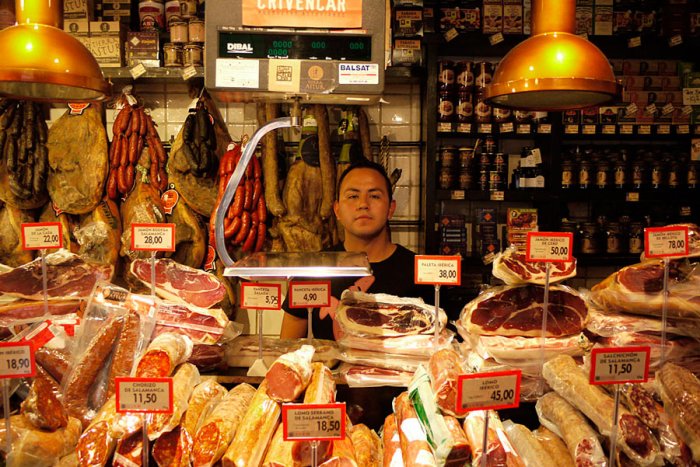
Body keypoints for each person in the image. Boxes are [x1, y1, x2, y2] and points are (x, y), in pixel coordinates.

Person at [280, 159, 432, 340]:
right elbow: (286, 348)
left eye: (374, 196)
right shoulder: (314, 271)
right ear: (337, 209)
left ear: (391, 208)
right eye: (353, 196)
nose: (363, 204)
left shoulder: (419, 272)